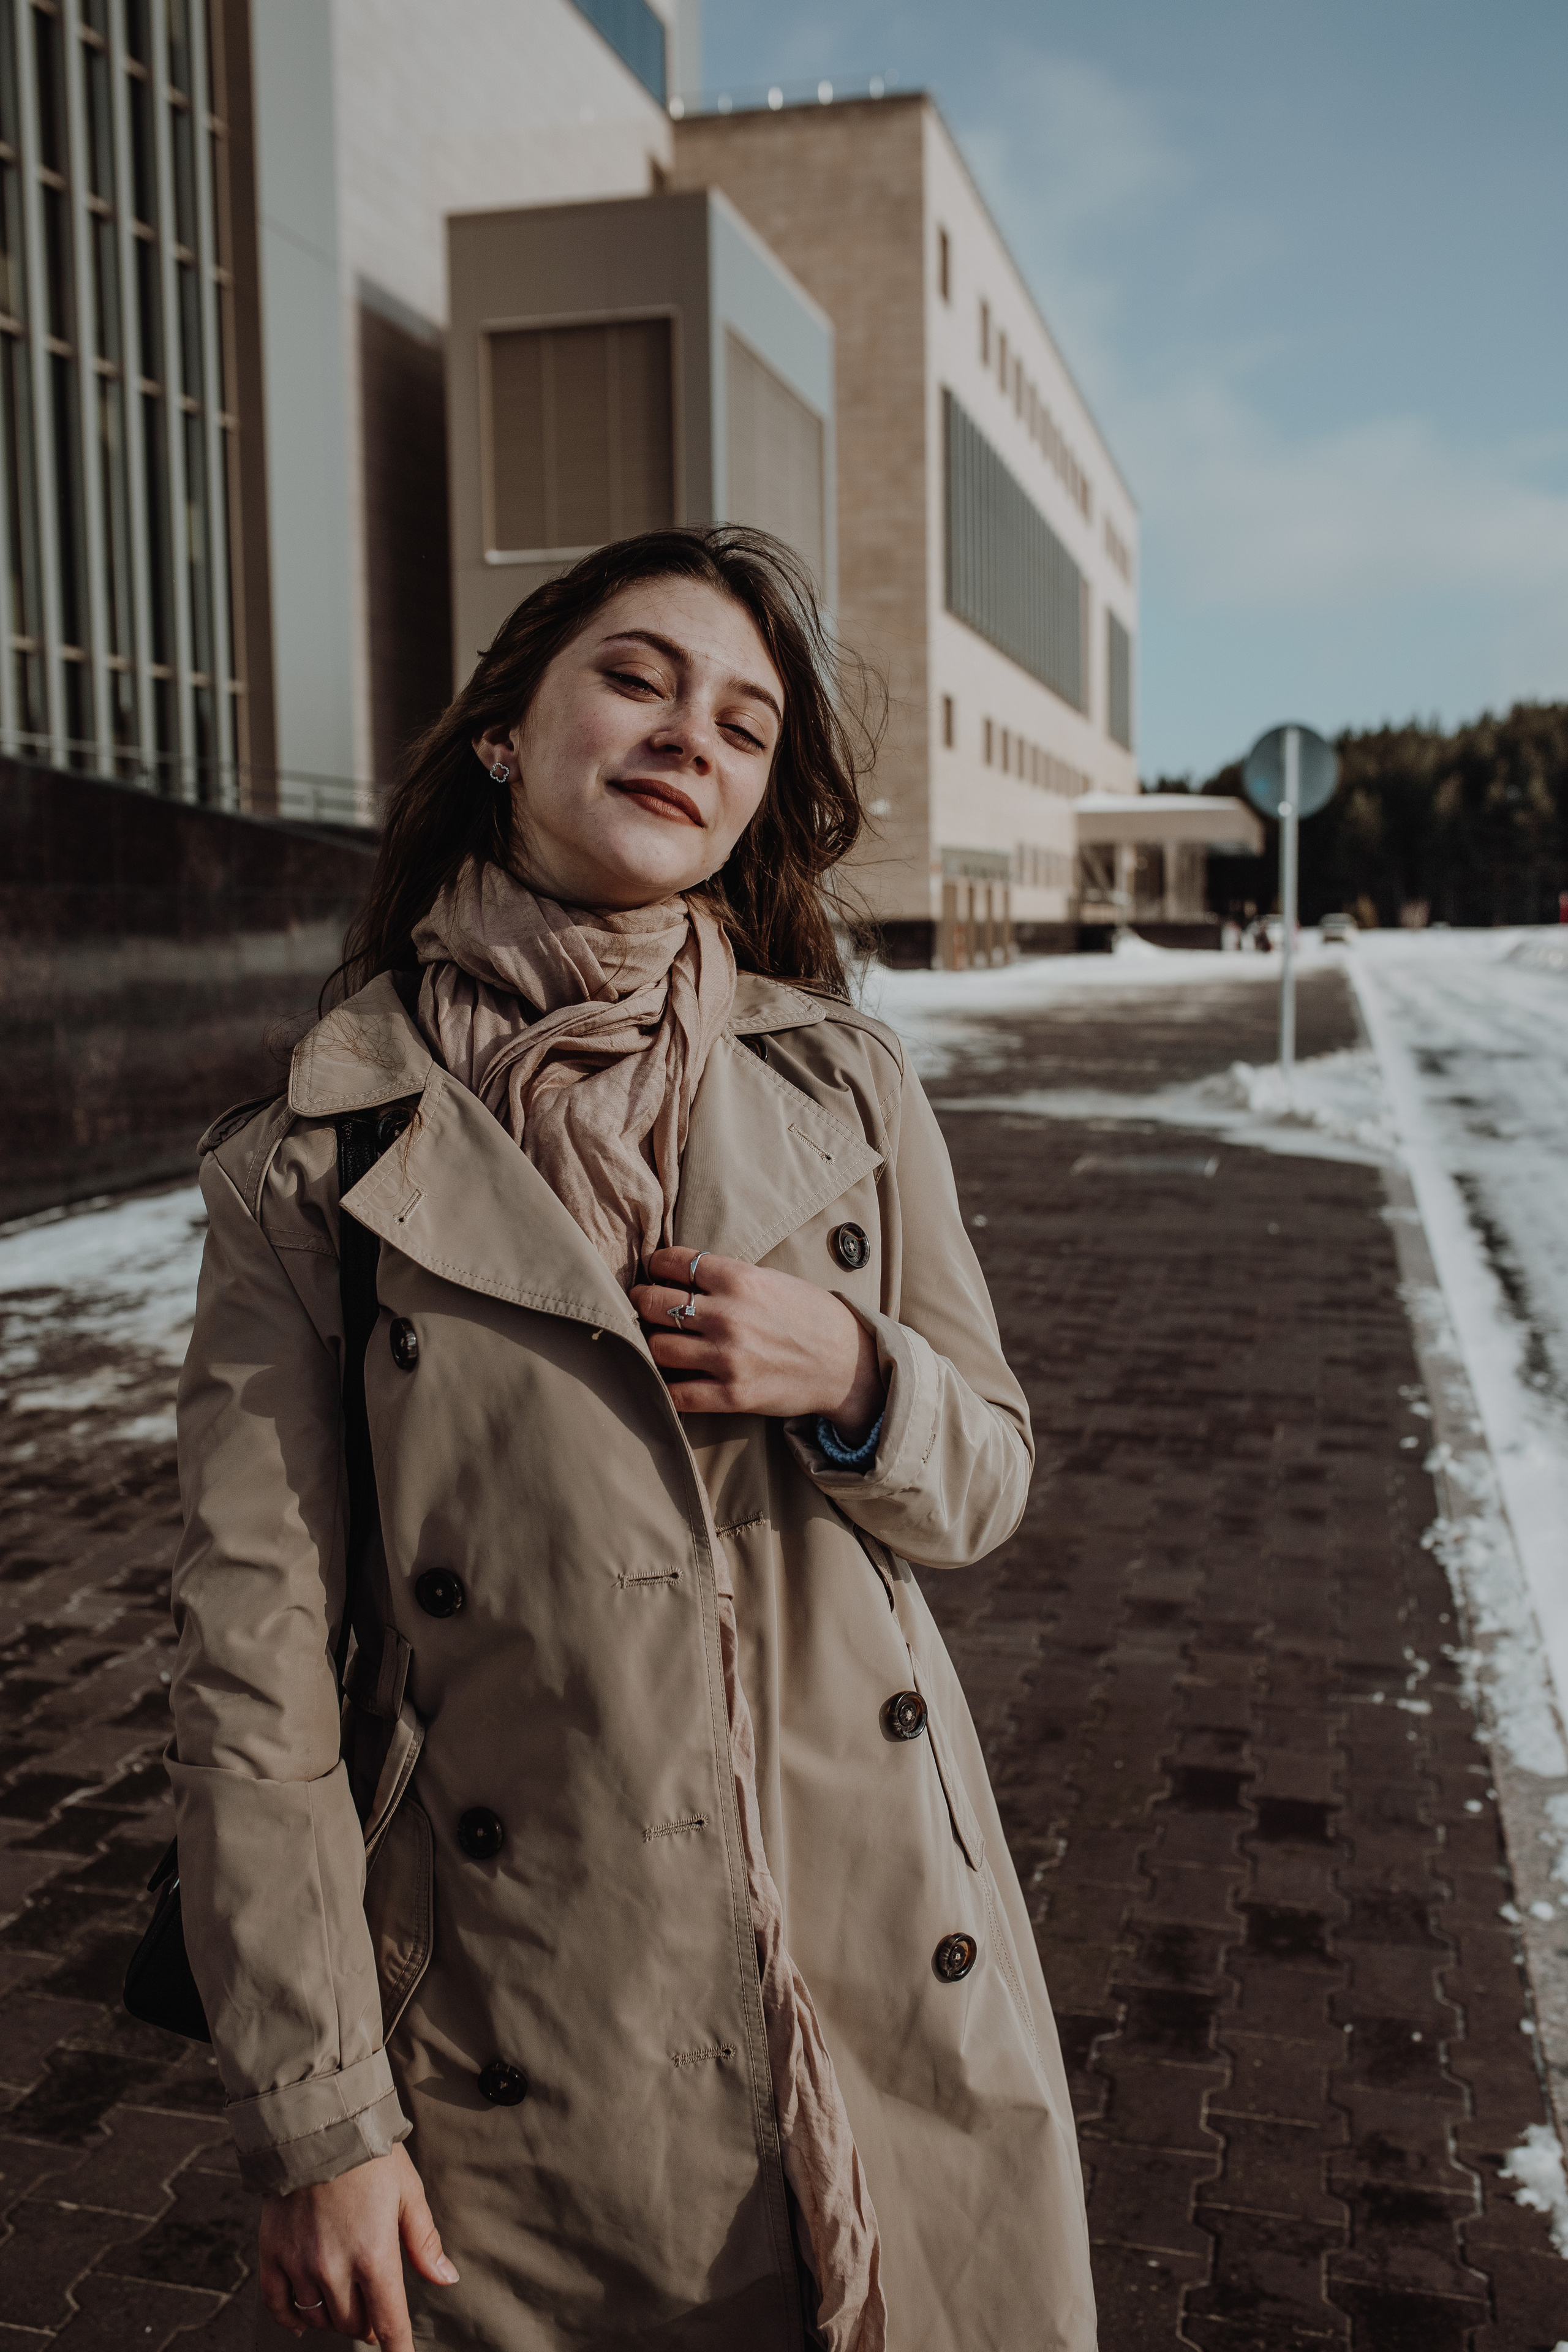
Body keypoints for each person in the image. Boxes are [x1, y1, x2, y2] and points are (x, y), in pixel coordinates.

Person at [169, 526, 1095, 2352]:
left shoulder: (845, 1087)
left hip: (886, 1981)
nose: (694, 737)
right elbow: (249, 1679)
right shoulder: (316, 1157)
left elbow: (985, 1471)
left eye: (745, 723)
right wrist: (319, 2122)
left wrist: (854, 1371)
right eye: (638, 678)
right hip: (532, 2051)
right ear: (507, 729)